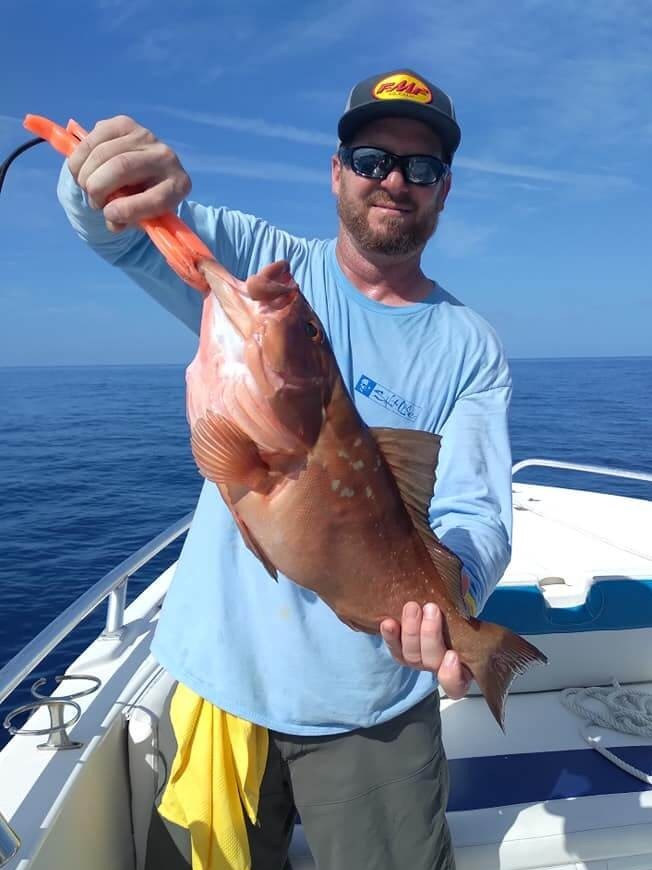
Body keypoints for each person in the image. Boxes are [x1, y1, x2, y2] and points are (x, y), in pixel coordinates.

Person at [57, 68, 513, 870]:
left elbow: (476, 507)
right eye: (373, 159)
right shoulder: (265, 265)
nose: (395, 181)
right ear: (336, 172)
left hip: (372, 696)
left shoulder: (468, 345)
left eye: (422, 167)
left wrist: (453, 608)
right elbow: (127, 230)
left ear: (444, 191)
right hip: (219, 679)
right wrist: (103, 177)